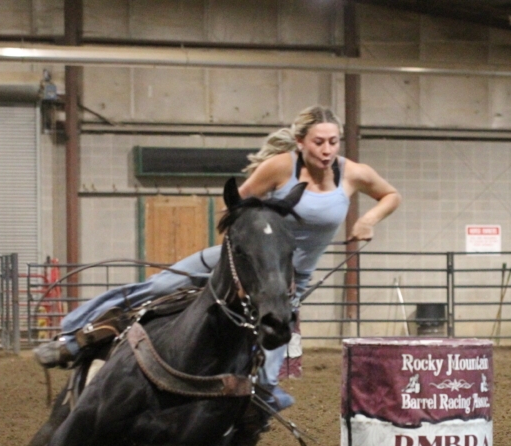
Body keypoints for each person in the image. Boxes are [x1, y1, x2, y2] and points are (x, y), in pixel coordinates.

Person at [35, 105, 401, 411]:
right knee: (160, 286)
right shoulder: (279, 167)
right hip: (241, 262)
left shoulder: (353, 174)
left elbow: (391, 196)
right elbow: (235, 207)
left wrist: (368, 219)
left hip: (289, 279)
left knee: (268, 369)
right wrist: (249, 244)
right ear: (301, 141)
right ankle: (72, 339)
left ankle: (251, 412)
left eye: (333, 141)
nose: (327, 149)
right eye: (319, 142)